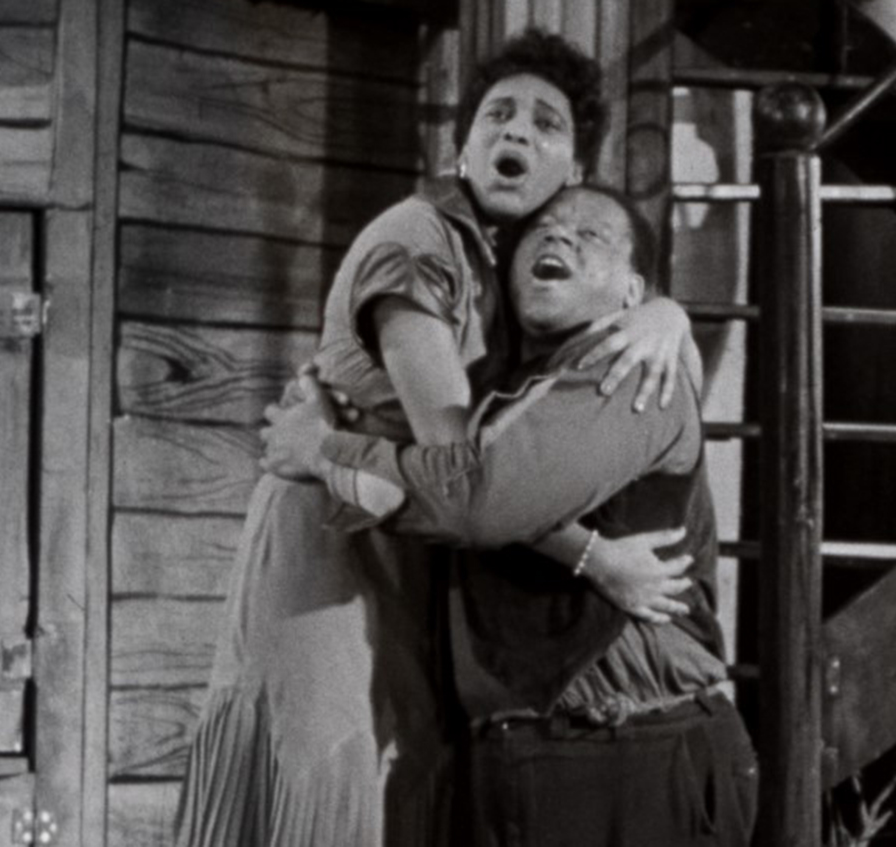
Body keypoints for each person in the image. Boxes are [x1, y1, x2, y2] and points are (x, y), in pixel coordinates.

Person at [172, 31, 696, 847]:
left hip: (413, 540)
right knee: (333, 783)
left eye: (545, 124)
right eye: (498, 115)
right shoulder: (418, 241)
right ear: (463, 145)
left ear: (576, 174)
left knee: (404, 777)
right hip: (337, 539)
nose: (515, 133)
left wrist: (665, 312)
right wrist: (596, 557)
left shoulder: (516, 265)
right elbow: (467, 471)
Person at [261, 185, 757, 846]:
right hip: (533, 755)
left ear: (633, 292)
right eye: (546, 228)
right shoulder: (502, 396)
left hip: (626, 752)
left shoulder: (633, 368)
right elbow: (487, 486)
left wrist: (323, 450)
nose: (559, 237)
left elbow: (479, 499)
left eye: (592, 236)